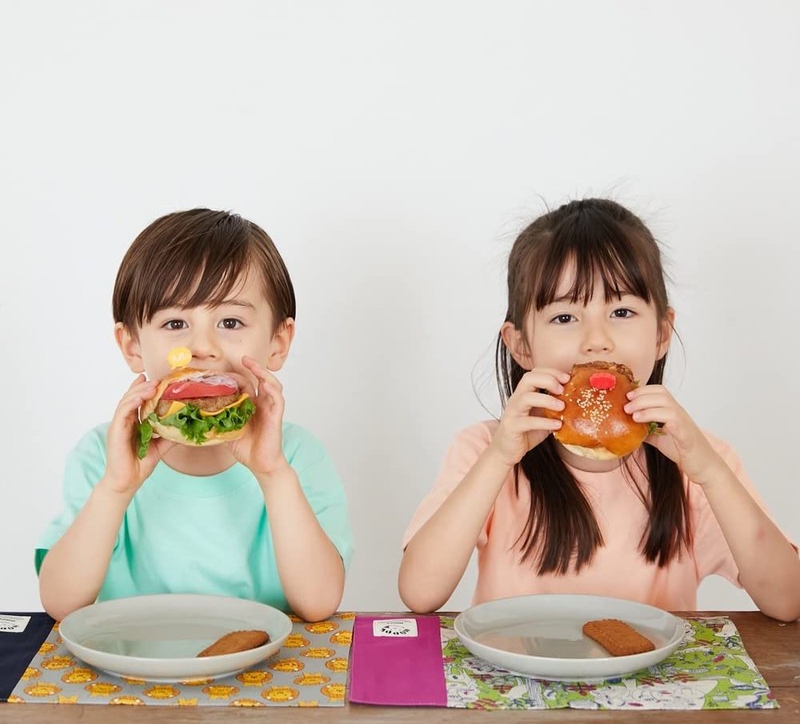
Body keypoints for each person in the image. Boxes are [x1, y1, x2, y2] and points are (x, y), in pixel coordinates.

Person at [398, 198, 800, 621]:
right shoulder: (485, 448)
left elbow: (788, 600)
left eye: (622, 311)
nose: (596, 340)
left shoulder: (697, 459)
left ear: (662, 333)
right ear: (521, 346)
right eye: (565, 317)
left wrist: (709, 472)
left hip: (653, 685)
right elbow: (420, 592)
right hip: (520, 679)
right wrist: (499, 458)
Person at [38, 208, 353, 622]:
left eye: (230, 320)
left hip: (263, 677)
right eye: (174, 324)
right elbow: (60, 604)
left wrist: (273, 474)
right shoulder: (101, 455)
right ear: (132, 346)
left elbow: (318, 603)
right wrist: (115, 489)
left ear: (278, 342)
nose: (201, 347)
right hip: (133, 668)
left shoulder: (295, 456)